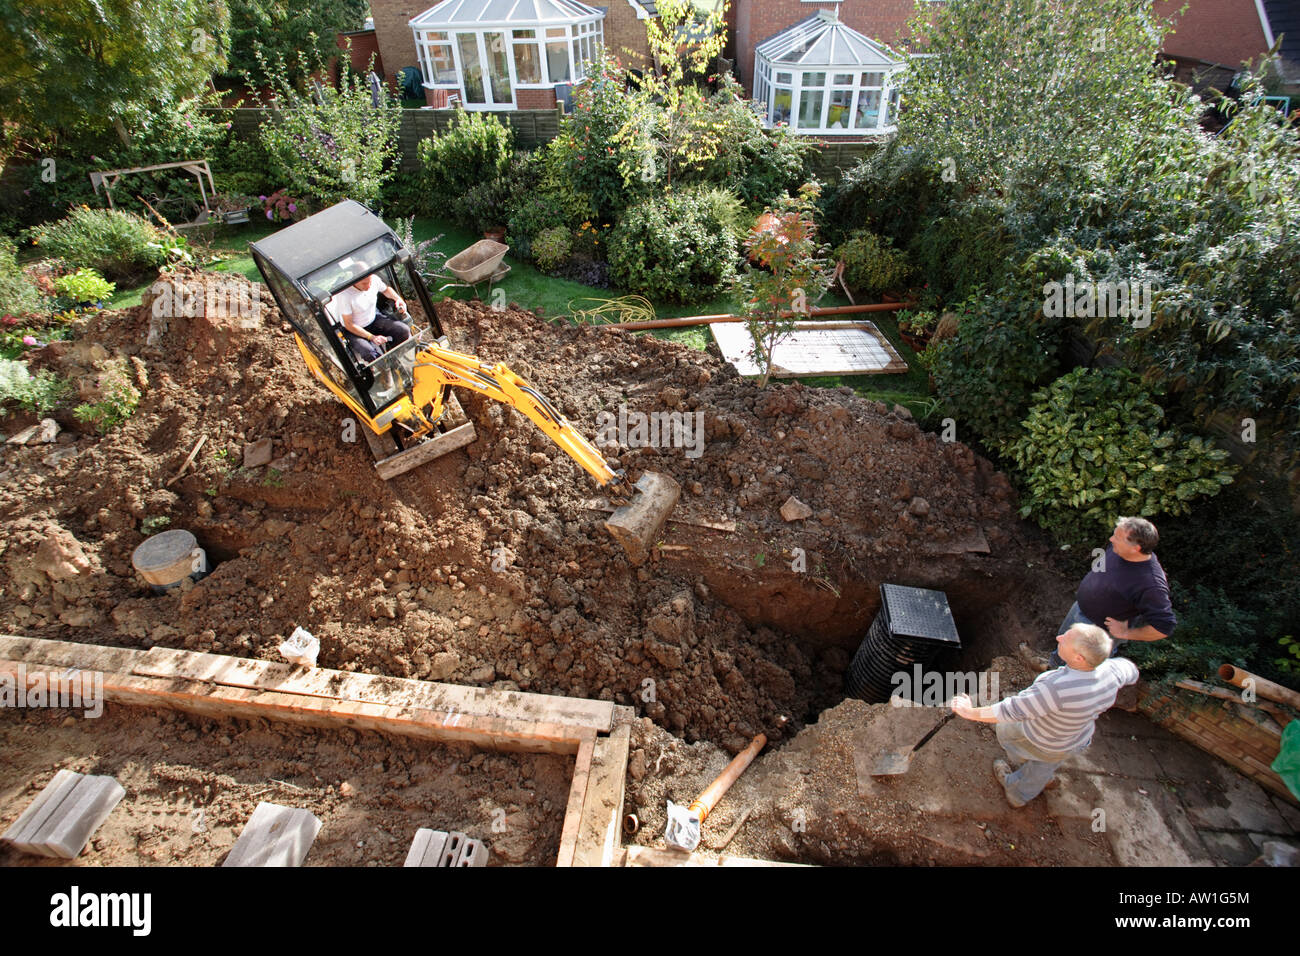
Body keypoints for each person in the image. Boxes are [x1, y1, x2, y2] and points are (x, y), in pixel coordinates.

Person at [953, 623, 1138, 807]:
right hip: (1076, 738)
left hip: (1043, 740)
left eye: (1066, 639)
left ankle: (1017, 794)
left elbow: (1010, 711)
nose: (1059, 638)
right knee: (1043, 766)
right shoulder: (1111, 670)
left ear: (1079, 658)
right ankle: (1037, 778)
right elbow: (1131, 671)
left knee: (1006, 732)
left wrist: (969, 712)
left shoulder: (1057, 689)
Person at [1047, 515, 1176, 667]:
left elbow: (1164, 627)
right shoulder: (1118, 549)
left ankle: (1065, 687)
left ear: (1136, 548)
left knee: (1080, 666)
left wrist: (1126, 633)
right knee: (1062, 644)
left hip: (1097, 630)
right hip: (1080, 608)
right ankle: (1051, 671)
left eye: (1117, 537)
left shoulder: (1151, 584)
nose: (1111, 539)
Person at [331, 273, 410, 363]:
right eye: (364, 284)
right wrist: (372, 337)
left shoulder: (374, 279)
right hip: (354, 329)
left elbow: (386, 290)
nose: (368, 286)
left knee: (403, 330)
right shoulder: (344, 295)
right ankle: (384, 368)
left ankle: (393, 360)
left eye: (370, 282)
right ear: (354, 282)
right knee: (369, 353)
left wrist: (398, 299)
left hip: (373, 319)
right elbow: (349, 324)